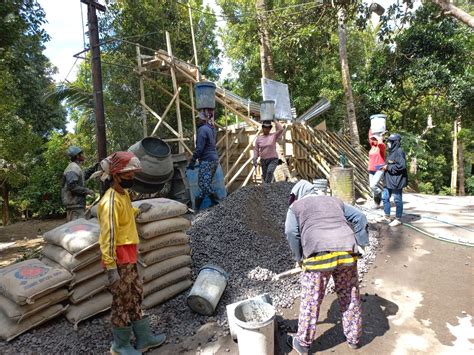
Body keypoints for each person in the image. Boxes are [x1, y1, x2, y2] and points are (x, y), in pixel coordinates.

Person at [285, 180, 369, 354]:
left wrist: (299, 257)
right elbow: (360, 217)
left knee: (311, 300)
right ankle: (354, 338)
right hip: (347, 253)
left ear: (298, 194)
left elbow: (291, 232)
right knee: (350, 296)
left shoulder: (296, 207)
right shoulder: (334, 200)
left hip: (318, 256)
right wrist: (361, 243)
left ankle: (303, 343)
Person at [96, 151, 165, 354]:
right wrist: (110, 269)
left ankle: (143, 338)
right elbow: (107, 237)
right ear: (116, 175)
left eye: (133, 174)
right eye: (128, 175)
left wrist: (138, 210)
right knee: (121, 300)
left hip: (130, 256)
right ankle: (120, 345)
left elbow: (127, 213)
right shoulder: (109, 202)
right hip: (118, 259)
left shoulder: (123, 194)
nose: (132, 179)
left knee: (135, 295)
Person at [187, 108, 219, 210]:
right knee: (204, 185)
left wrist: (192, 160)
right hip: (214, 160)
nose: (197, 121)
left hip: (207, 161)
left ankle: (218, 203)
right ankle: (197, 209)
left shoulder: (202, 130)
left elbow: (200, 148)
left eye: (198, 119)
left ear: (202, 119)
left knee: (204, 185)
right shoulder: (211, 128)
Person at [61, 146, 96, 221]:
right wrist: (87, 191)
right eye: (82, 154)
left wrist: (94, 168)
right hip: (74, 206)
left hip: (76, 205)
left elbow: (83, 176)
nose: (84, 155)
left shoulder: (76, 167)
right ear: (77, 156)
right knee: (76, 230)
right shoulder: (72, 168)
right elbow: (72, 186)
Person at [381, 133, 408, 227]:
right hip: (388, 180)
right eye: (388, 141)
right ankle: (386, 216)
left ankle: (398, 218)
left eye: (390, 141)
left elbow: (402, 166)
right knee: (385, 197)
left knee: (397, 199)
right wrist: (384, 167)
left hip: (397, 180)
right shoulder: (391, 152)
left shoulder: (399, 151)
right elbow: (390, 164)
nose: (388, 143)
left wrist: (387, 167)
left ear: (395, 142)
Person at [367, 130, 386, 208]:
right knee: (372, 189)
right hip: (371, 169)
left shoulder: (382, 147)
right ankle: (377, 204)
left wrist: (381, 137)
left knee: (373, 185)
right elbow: (369, 136)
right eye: (373, 139)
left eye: (375, 139)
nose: (373, 140)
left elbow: (381, 143)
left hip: (379, 168)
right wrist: (372, 128)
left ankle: (379, 193)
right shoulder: (373, 146)